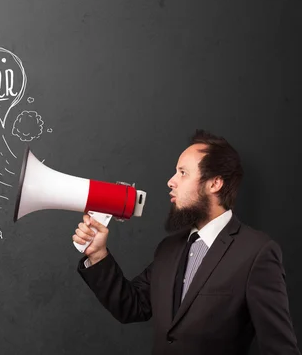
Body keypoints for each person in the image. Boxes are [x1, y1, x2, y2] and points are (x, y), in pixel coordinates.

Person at [73, 129, 300, 355]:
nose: (171, 182)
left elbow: (280, 349)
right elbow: (132, 307)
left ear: (214, 184)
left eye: (182, 172)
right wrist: (98, 254)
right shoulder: (168, 249)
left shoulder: (256, 253)